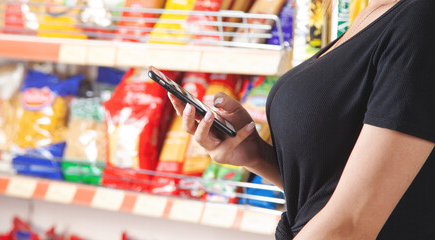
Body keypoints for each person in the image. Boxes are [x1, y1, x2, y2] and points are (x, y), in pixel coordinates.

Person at [168, 0, 435, 239]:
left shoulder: (421, 20)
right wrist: (256, 155)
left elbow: (350, 225)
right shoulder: (373, 13)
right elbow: (334, 189)